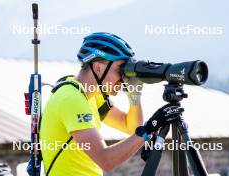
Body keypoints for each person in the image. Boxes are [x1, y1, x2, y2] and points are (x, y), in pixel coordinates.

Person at [40, 32, 184, 176]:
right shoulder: (71, 99)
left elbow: (131, 128)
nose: (123, 78)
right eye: (119, 70)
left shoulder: (90, 95)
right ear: (98, 68)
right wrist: (152, 126)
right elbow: (106, 160)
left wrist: (134, 97)